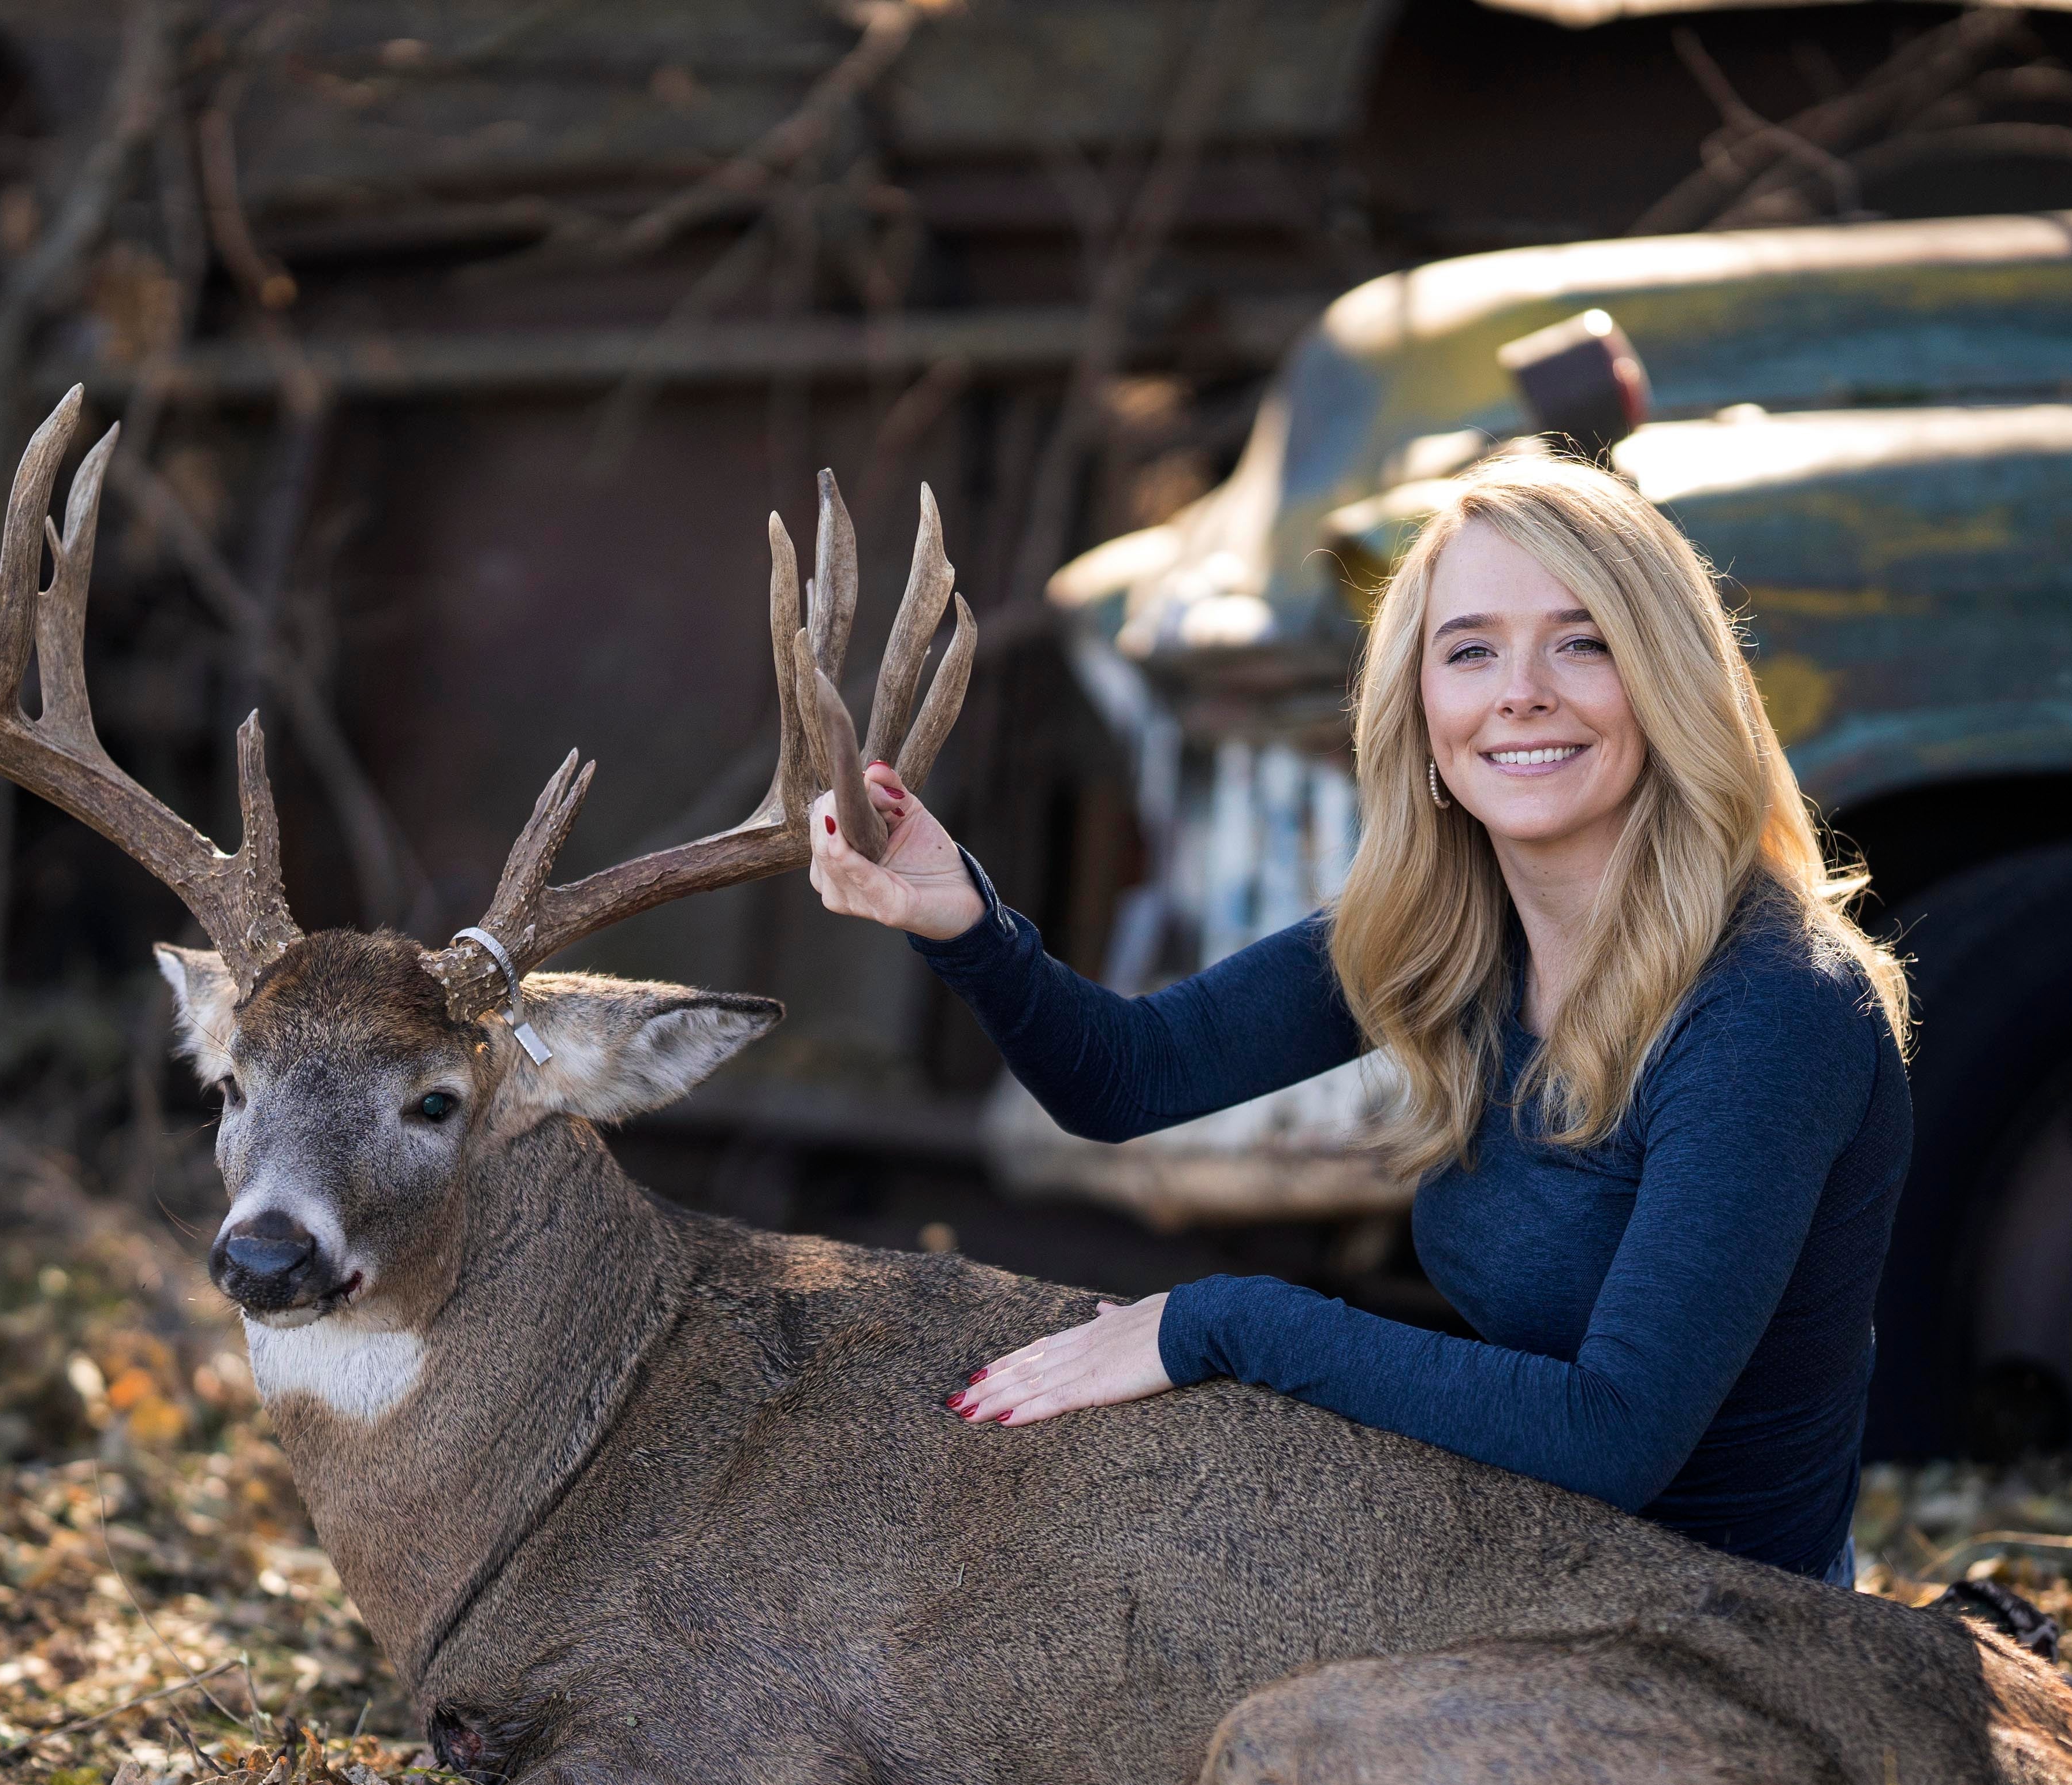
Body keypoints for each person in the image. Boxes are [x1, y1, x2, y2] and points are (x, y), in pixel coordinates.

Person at [807, 442, 1911, 1583]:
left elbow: (1610, 1436)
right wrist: (962, 922)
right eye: (1471, 649)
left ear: (1668, 681)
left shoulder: (1772, 1010)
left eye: (1582, 642)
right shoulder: (1455, 928)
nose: (1520, 690)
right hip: (1530, 1557)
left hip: (1736, 1632)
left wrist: (1219, 1320)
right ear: (1424, 706)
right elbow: (1126, 1077)